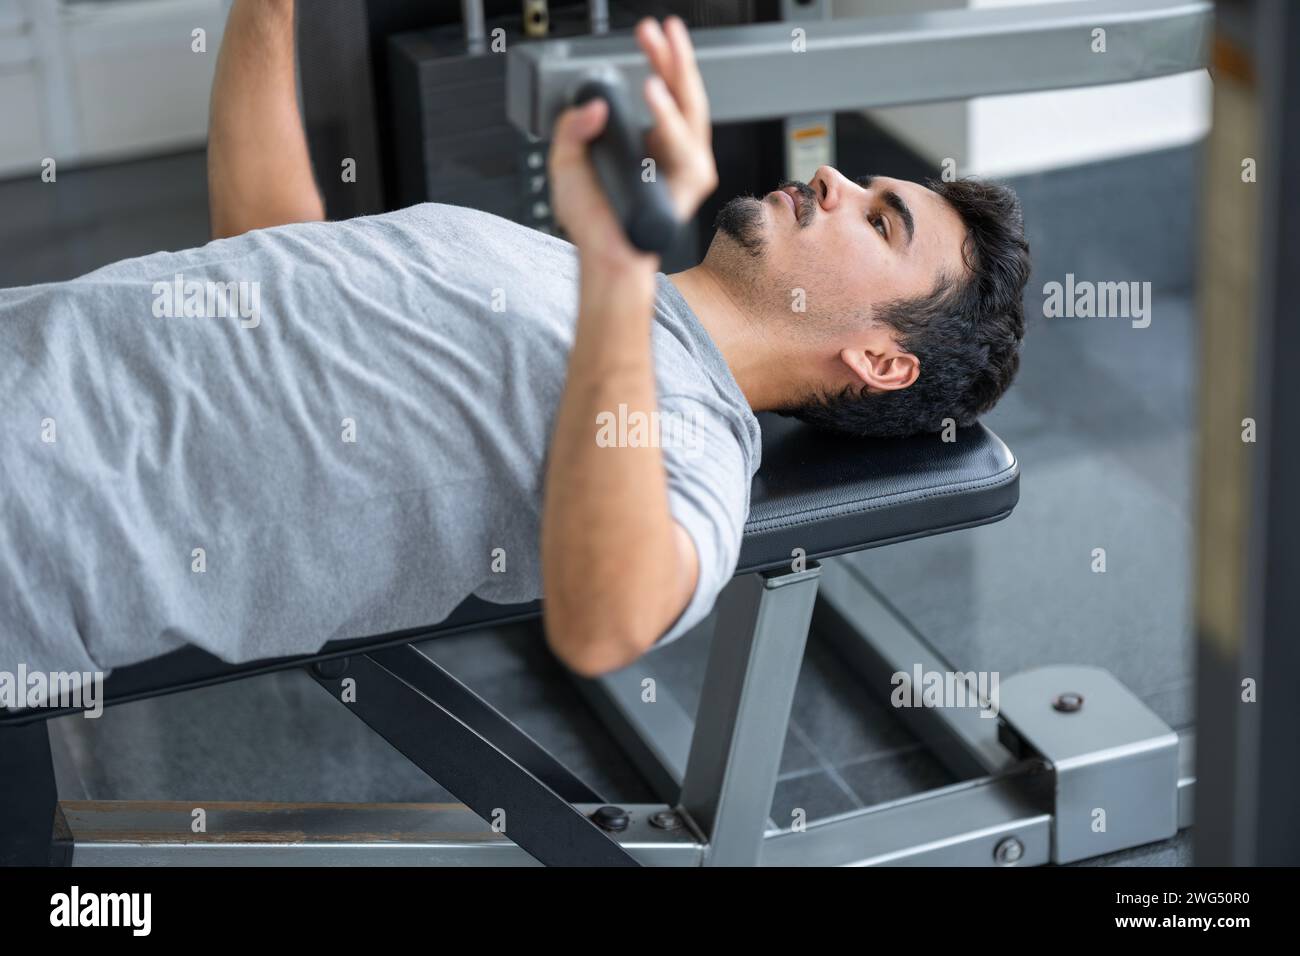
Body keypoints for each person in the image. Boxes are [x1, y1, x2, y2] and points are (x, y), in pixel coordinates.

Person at [0, 0, 1029, 680]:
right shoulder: (568, 273)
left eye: (879, 220)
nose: (836, 181)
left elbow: (606, 620)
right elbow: (277, 260)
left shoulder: (695, 440)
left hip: (34, 527)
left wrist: (625, 262)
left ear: (880, 359)